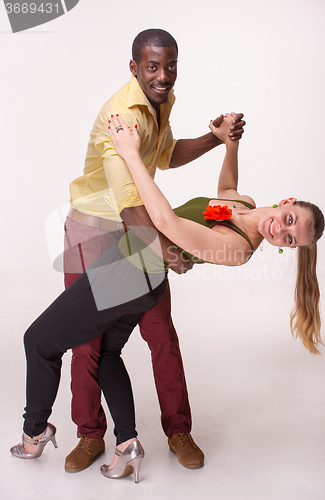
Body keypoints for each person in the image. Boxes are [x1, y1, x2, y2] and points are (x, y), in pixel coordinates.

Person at [11, 113, 324, 484]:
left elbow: (167, 223)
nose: (281, 231)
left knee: (38, 341)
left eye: (290, 239)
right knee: (107, 354)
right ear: (286, 202)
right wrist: (229, 143)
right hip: (141, 273)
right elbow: (225, 189)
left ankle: (34, 435)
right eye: (289, 220)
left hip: (130, 271)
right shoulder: (244, 206)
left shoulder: (239, 248)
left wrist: (129, 154)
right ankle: (127, 445)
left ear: (287, 249)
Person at [63, 28, 246, 472]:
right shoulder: (120, 117)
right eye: (152, 67)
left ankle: (179, 430)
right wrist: (172, 252)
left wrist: (216, 139)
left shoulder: (159, 102)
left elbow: (164, 156)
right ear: (134, 68)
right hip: (94, 233)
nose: (163, 76)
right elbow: (130, 208)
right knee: (87, 343)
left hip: (136, 228)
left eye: (170, 66)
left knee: (160, 332)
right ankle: (90, 435)